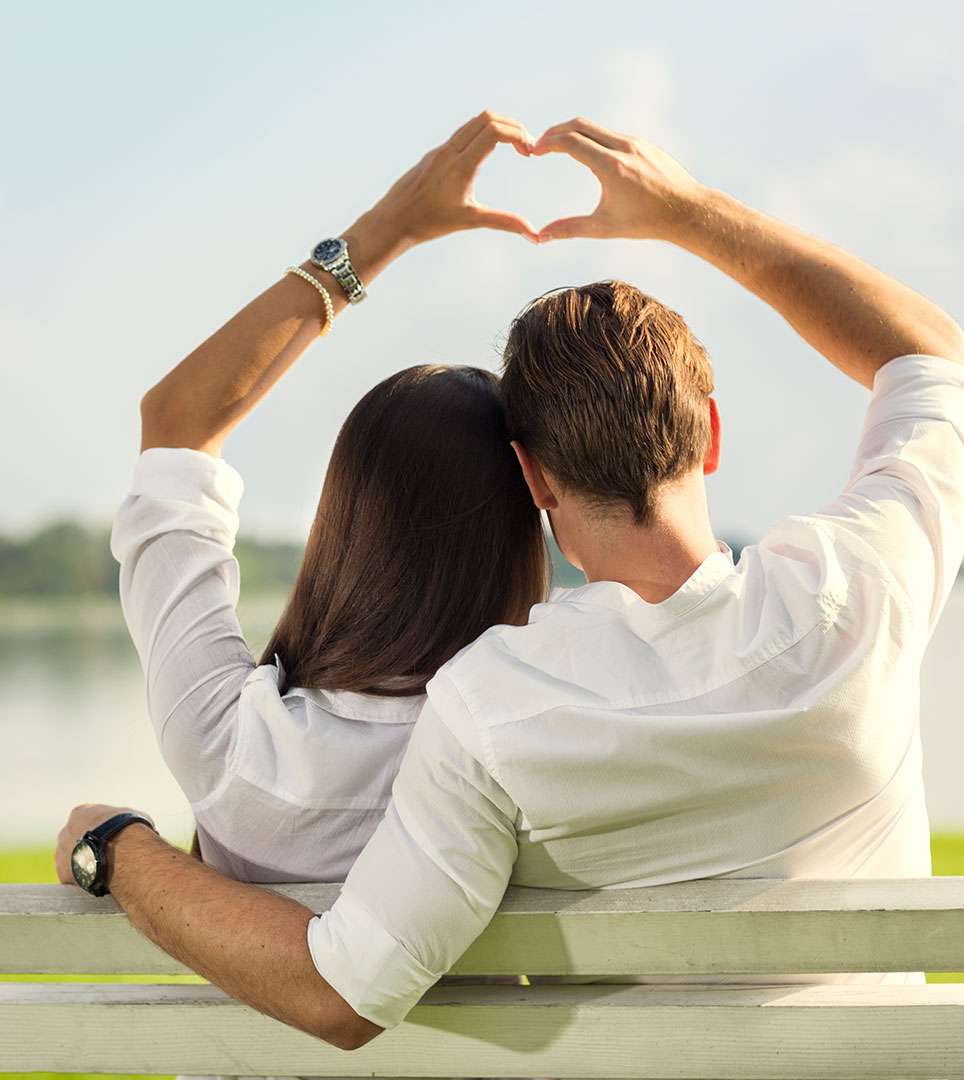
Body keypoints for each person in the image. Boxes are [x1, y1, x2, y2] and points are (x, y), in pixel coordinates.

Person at [57, 114, 964, 1053]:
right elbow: (930, 358)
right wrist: (689, 213)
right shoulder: (863, 584)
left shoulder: (496, 711)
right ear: (713, 432)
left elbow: (346, 987)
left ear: (537, 480)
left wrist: (115, 846)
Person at [100, 112, 548, 890]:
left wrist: (385, 232)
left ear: (346, 524)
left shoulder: (231, 744)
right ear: (520, 532)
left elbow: (176, 427)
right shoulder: (544, 751)